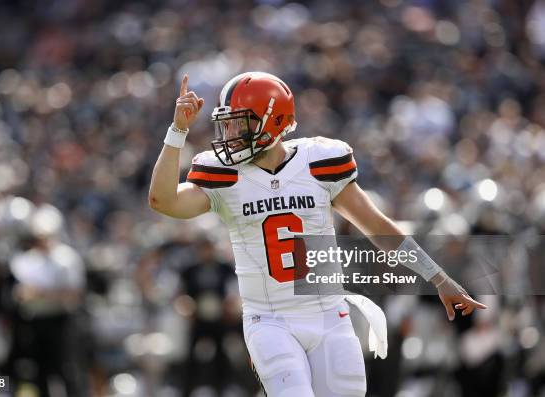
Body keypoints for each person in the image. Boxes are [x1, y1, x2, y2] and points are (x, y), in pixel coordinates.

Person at [149, 72, 487, 396]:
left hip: (329, 315)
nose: (231, 132)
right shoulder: (225, 176)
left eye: (241, 122)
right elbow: (162, 200)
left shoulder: (319, 162)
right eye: (229, 122)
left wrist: (439, 278)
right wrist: (177, 131)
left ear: (274, 120)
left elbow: (379, 228)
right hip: (270, 320)